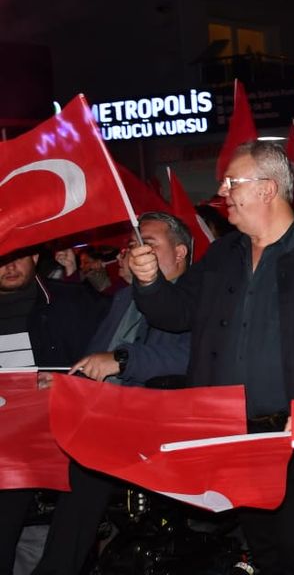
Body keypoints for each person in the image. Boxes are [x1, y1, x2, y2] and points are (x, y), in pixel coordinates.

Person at [129, 142, 294, 575]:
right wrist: (150, 282)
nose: (222, 192)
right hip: (233, 433)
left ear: (267, 189)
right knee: (264, 550)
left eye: (232, 182)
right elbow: (176, 313)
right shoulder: (222, 255)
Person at [35, 213, 194, 575]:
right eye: (132, 245)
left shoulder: (197, 297)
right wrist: (68, 381)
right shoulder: (124, 299)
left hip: (157, 421)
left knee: (85, 476)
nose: (136, 251)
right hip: (104, 416)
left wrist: (121, 361)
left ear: (180, 252)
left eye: (148, 244)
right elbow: (95, 357)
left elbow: (186, 357)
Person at [0, 247, 106, 575]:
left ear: (35, 257)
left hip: (66, 423)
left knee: (91, 472)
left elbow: (106, 362)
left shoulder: (73, 301)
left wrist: (70, 385)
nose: (9, 266)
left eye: (17, 256)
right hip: (8, 439)